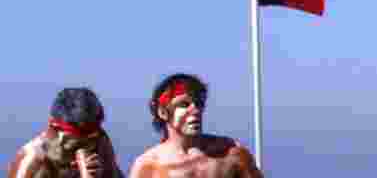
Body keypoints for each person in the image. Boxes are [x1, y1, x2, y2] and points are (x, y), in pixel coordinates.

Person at [128, 74, 263, 178]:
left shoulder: (230, 153)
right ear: (163, 112)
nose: (195, 110)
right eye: (184, 104)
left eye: (198, 104)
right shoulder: (149, 166)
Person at [6, 87, 124, 178]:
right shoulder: (33, 162)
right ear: (54, 130)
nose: (85, 149)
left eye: (90, 141)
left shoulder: (100, 141)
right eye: (76, 145)